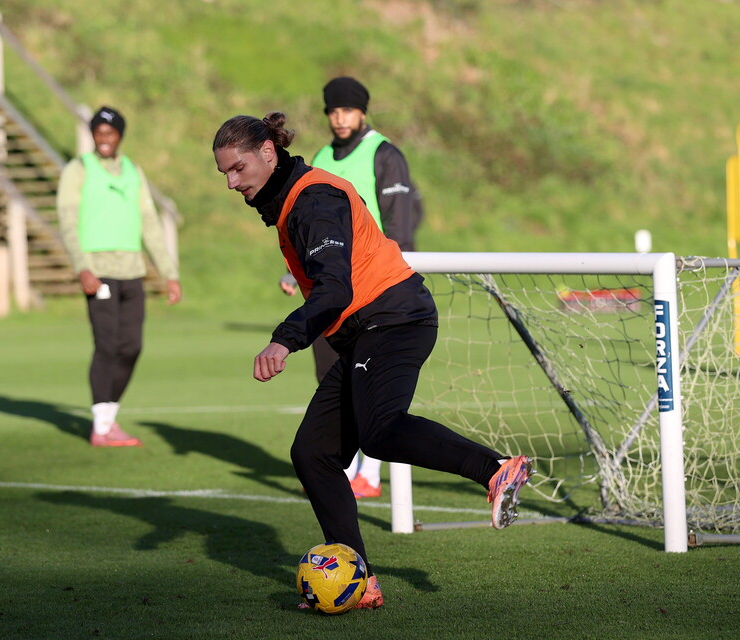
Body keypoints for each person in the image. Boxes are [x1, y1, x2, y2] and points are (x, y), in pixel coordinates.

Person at [212, 112, 531, 610]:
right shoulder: (291, 200)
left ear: (268, 153)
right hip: (369, 329)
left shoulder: (314, 198)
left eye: (238, 168)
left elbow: (335, 290)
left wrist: (284, 340)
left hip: (394, 318)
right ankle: (359, 582)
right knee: (312, 454)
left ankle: (495, 469)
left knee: (380, 430)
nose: (232, 183)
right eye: (224, 173)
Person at [281, 77, 424, 499]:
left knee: (370, 380)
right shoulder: (321, 157)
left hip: (375, 289)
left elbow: (400, 224)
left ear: (362, 111)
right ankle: (340, 466)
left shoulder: (385, 155)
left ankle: (370, 473)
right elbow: (309, 225)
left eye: (347, 110)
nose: (340, 118)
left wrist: (393, 282)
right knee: (331, 377)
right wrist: (295, 272)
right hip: (330, 290)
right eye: (333, 111)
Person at [57, 105, 182, 447]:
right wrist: (82, 267)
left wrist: (169, 273)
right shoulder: (77, 169)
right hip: (98, 272)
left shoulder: (132, 170)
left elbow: (150, 224)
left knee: (131, 347)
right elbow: (67, 221)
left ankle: (108, 420)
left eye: (110, 132)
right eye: (98, 132)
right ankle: (101, 427)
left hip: (132, 272)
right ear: (92, 135)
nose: (104, 138)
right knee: (107, 345)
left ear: (120, 136)